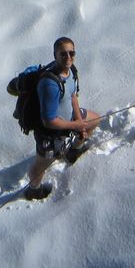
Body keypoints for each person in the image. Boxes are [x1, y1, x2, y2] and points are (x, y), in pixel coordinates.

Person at [25, 36, 101, 201]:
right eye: (63, 54)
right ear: (55, 55)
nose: (68, 57)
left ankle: (73, 150)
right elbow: (49, 120)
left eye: (71, 53)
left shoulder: (71, 71)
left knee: (94, 120)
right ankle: (33, 190)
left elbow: (73, 96)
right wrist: (75, 124)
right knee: (41, 165)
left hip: (70, 119)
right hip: (49, 134)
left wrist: (79, 123)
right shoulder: (49, 85)